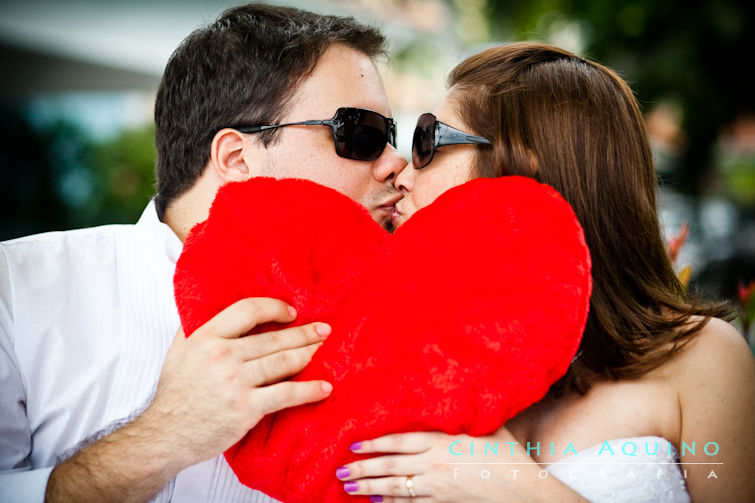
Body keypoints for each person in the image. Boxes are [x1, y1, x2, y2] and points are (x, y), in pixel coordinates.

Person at [0, 4, 405, 502]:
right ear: (237, 158)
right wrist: (167, 433)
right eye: (360, 134)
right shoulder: (16, 290)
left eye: (390, 136)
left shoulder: (407, 332)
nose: (396, 163)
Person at [336, 42, 755, 502]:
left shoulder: (699, 358)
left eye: (427, 141)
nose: (401, 173)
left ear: (521, 167)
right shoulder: (399, 361)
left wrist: (521, 490)